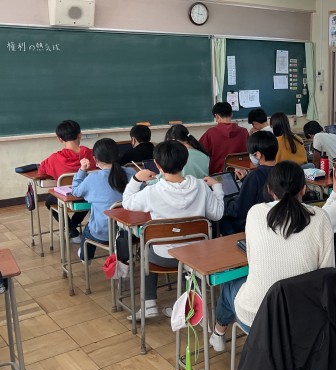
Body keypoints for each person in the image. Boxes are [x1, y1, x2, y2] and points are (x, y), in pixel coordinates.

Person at [209, 161, 334, 350]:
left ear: (269, 189)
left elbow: (253, 258)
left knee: (229, 284)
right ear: (304, 189)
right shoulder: (321, 217)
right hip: (306, 319)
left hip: (256, 319)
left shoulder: (256, 213)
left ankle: (218, 334)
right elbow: (327, 272)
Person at [122, 141, 224, 319]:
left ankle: (149, 304)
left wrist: (136, 179)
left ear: (157, 164)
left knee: (146, 250)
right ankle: (189, 306)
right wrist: (217, 187)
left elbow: (127, 203)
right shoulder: (201, 186)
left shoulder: (152, 191)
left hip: (163, 257)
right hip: (196, 255)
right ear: (185, 161)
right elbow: (217, 214)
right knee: (187, 253)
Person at [72, 138, 135, 261]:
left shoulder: (93, 178)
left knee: (88, 228)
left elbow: (76, 192)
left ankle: (85, 257)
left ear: (95, 159)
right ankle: (125, 256)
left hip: (103, 233)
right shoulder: (131, 173)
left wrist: (82, 170)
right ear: (118, 155)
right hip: (130, 231)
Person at [39, 120, 96, 243]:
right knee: (85, 199)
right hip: (88, 195)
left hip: (67, 197)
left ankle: (72, 232)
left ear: (60, 139)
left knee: (49, 201)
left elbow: (41, 170)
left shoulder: (55, 158)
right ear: (80, 135)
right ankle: (72, 229)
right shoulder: (90, 154)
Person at [219, 131, 277, 235]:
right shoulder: (284, 170)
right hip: (275, 221)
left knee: (221, 215)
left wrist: (223, 200)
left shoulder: (255, 176)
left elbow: (239, 209)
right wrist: (245, 180)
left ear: (258, 155)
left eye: (251, 154)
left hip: (256, 225)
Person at [199, 101, 249, 174]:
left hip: (217, 175)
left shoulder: (210, 133)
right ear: (231, 114)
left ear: (217, 116)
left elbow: (199, 151)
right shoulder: (244, 132)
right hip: (240, 174)